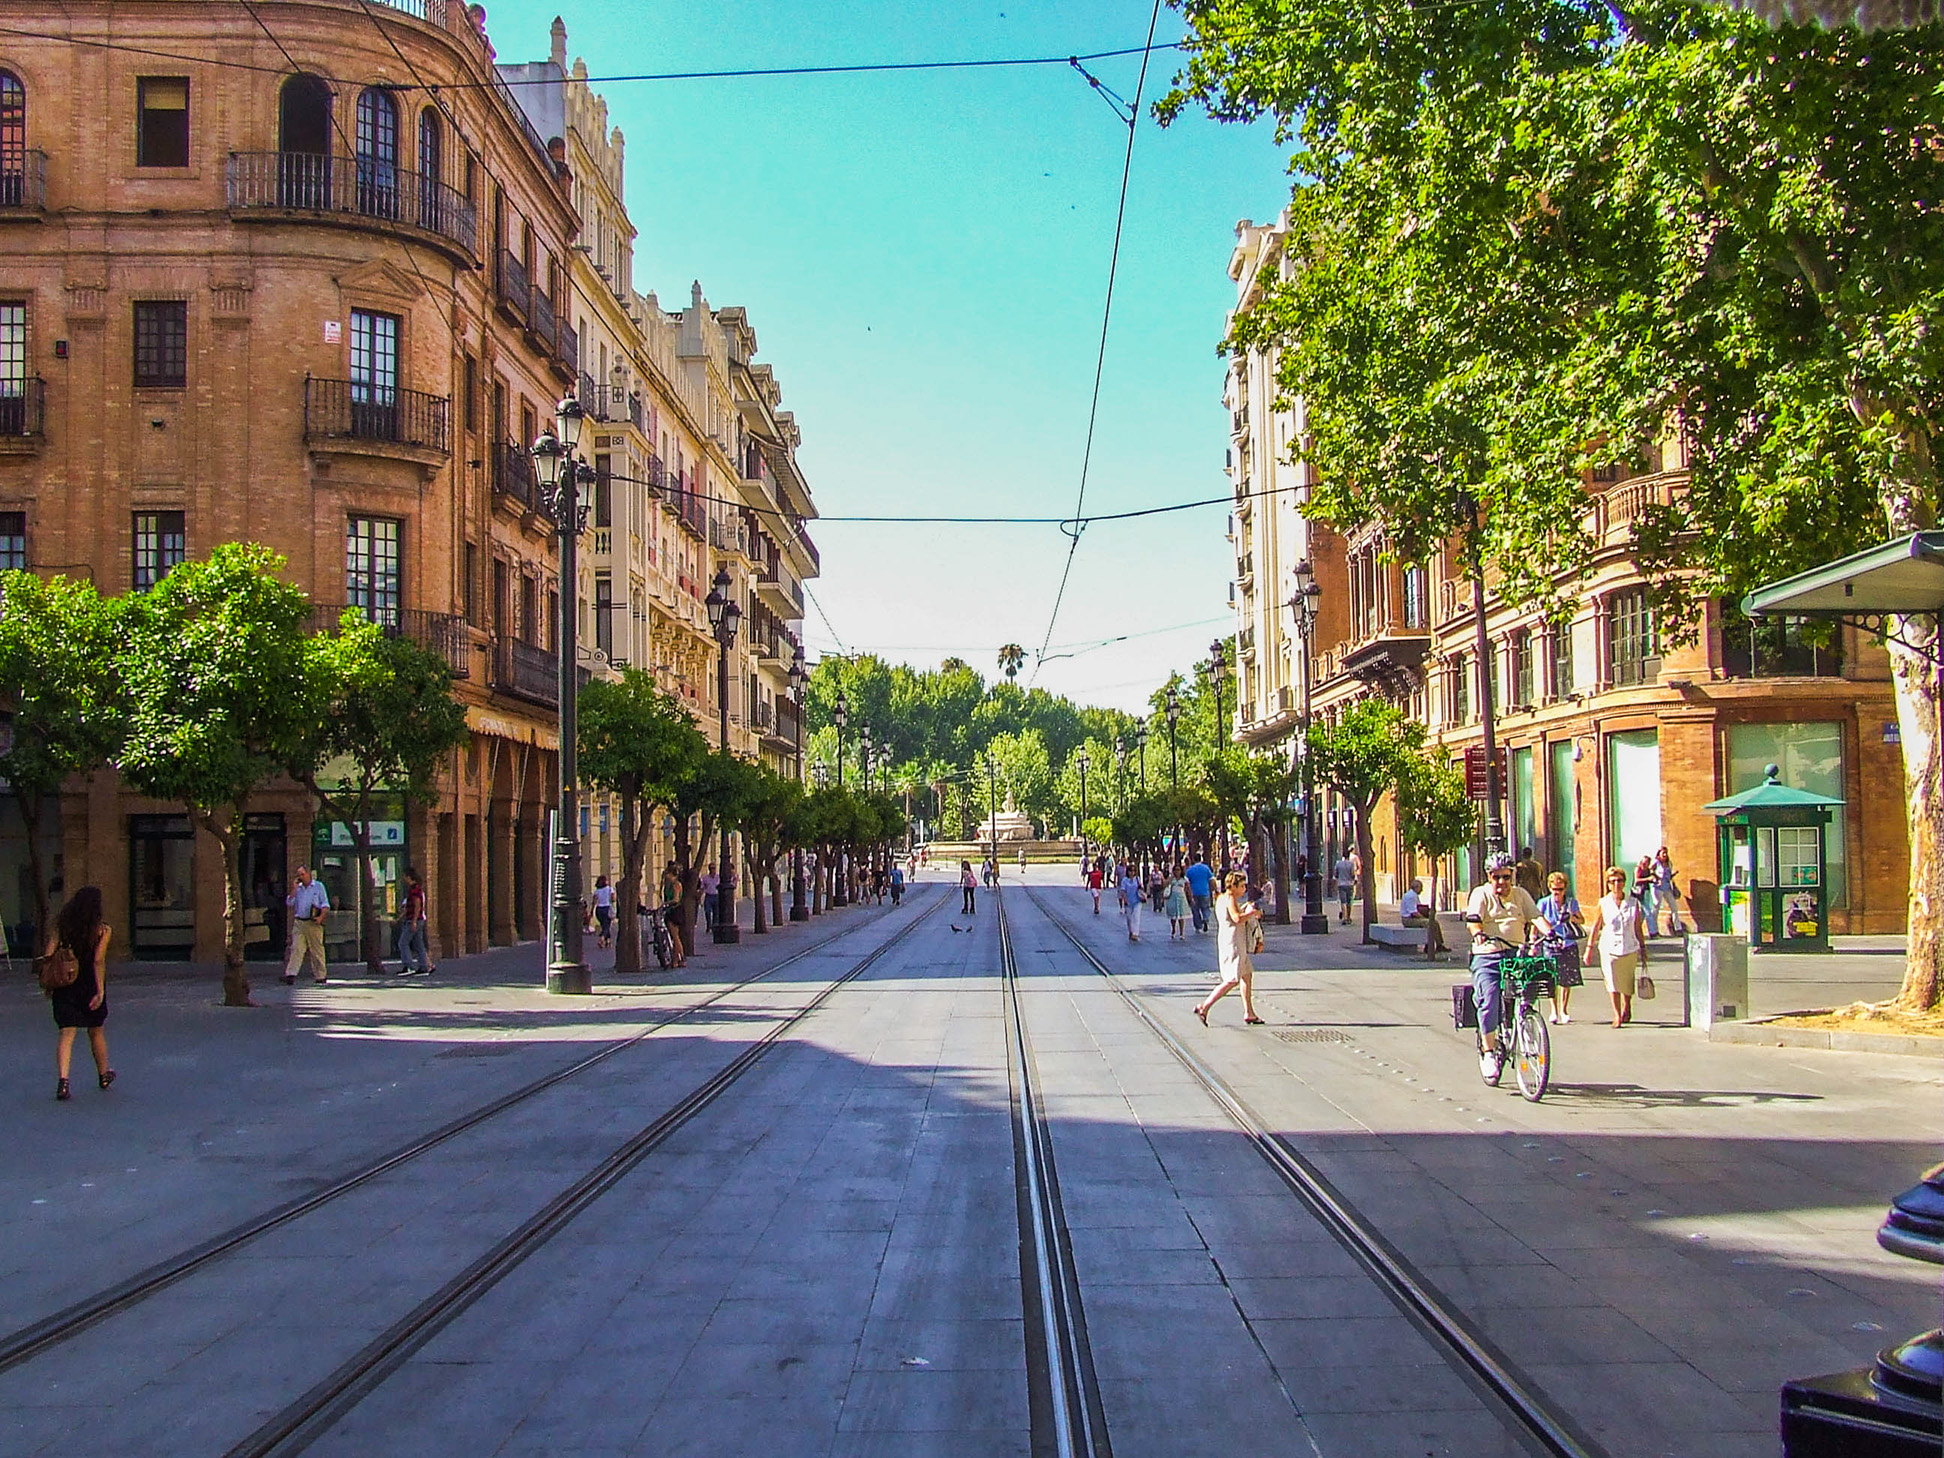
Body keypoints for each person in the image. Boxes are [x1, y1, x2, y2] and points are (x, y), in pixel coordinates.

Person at [1465, 851, 1545, 1080]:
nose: (1501, 882)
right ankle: (1488, 1052)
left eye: (1506, 877)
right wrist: (1478, 933)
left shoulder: (1521, 895)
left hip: (1516, 953)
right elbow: (1473, 920)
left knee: (1530, 989)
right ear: (1489, 877)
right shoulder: (1481, 894)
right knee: (1489, 999)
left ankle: (1525, 1023)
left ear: (1513, 875)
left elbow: (1536, 916)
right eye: (1496, 877)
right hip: (1488, 955)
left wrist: (1552, 933)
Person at [45, 885, 114, 1101]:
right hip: (89, 984)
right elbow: (98, 960)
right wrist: (100, 990)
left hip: (66, 984)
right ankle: (103, 1074)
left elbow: (48, 954)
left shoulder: (61, 925)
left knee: (67, 1033)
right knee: (96, 1031)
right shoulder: (103, 930)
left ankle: (63, 1081)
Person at [1585, 866, 1650, 1027]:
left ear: (1624, 883)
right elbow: (1596, 926)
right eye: (1612, 881)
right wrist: (1589, 948)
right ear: (1608, 884)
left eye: (1619, 881)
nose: (1616, 884)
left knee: (1627, 981)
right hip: (1609, 947)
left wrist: (1643, 948)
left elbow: (1637, 928)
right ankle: (1617, 1014)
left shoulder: (1633, 903)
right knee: (1612, 981)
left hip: (1629, 947)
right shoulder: (1603, 903)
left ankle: (1627, 1006)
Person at [1196, 871, 1263, 1026]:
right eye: (1242, 886)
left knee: (1246, 975)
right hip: (1234, 943)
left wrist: (1245, 908)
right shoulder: (1231, 898)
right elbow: (1236, 918)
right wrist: (1252, 913)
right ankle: (1205, 1006)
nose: (1244, 889)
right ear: (1232, 886)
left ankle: (1249, 1012)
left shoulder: (1222, 898)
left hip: (1230, 939)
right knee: (1232, 979)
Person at [1536, 871, 1583, 1024]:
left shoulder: (1571, 903)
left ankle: (1564, 1009)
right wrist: (1532, 940)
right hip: (1550, 944)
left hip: (1568, 943)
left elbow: (1581, 919)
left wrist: (1571, 917)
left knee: (1566, 979)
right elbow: (1536, 921)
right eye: (1555, 889)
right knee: (1551, 977)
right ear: (1550, 888)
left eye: (1561, 889)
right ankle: (1554, 1010)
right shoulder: (1543, 903)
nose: (1557, 893)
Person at [284, 865, 330, 986]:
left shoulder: (318, 887)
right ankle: (291, 974)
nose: (301, 877)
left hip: (313, 922)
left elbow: (325, 904)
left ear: (308, 874)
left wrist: (321, 917)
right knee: (296, 948)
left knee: (316, 950)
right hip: (300, 922)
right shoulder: (298, 889)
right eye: (299, 875)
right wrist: (294, 889)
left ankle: (320, 975)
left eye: (302, 874)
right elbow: (289, 902)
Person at [395, 866, 432, 976]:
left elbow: (417, 905)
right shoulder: (416, 889)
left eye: (405, 876)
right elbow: (409, 908)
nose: (403, 879)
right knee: (419, 944)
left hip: (413, 920)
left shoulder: (414, 890)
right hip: (418, 920)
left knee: (403, 943)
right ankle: (424, 967)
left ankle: (409, 966)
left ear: (409, 877)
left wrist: (414, 921)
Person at [1651, 847, 1688, 936]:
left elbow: (1669, 876)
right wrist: (1656, 877)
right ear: (1659, 854)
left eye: (1666, 853)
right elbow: (1650, 870)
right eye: (1663, 853)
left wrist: (1673, 876)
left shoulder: (1669, 863)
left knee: (1674, 907)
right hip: (1657, 887)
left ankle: (1678, 929)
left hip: (1667, 887)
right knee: (1656, 907)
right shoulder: (1656, 863)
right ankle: (1654, 930)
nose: (1664, 855)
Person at [659, 863, 687, 967]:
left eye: (668, 874)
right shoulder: (670, 884)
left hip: (675, 911)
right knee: (674, 936)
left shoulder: (676, 885)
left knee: (675, 936)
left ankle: (682, 957)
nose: (667, 876)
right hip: (673, 911)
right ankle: (675, 960)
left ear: (672, 874)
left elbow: (676, 899)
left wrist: (666, 904)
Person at [1185, 855, 1214, 934]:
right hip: (1205, 891)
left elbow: (1187, 883)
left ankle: (1198, 926)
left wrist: (1187, 893)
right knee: (1205, 908)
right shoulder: (1206, 868)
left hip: (1194, 892)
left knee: (1195, 910)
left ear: (1193, 859)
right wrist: (1212, 889)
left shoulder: (1190, 870)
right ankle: (1205, 918)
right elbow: (1211, 880)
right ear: (1201, 859)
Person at [1117, 863, 1144, 941]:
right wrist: (1125, 900)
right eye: (1130, 871)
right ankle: (1131, 931)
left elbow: (1141, 888)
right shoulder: (1125, 880)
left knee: (1136, 916)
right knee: (1129, 918)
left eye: (1134, 871)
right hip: (1128, 902)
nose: (1132, 873)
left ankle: (1135, 933)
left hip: (1137, 901)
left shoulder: (1137, 879)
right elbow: (1123, 891)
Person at [1632, 856, 1657, 935]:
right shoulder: (1638, 869)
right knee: (1648, 911)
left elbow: (1651, 878)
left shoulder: (1648, 870)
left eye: (1647, 862)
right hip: (1639, 891)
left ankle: (1635, 929)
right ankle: (1653, 932)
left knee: (1643, 913)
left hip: (1646, 891)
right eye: (1644, 862)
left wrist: (1654, 879)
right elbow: (1637, 880)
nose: (1645, 864)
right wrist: (1648, 879)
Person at [1164, 865, 1190, 941]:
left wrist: (1190, 898)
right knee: (1173, 916)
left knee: (1181, 916)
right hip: (1172, 897)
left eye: (1178, 870)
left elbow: (1188, 888)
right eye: (1175, 870)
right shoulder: (1172, 879)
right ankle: (1173, 929)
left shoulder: (1184, 879)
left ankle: (1182, 932)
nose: (1177, 872)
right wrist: (1170, 879)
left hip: (1181, 898)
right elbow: (1165, 884)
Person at [592, 874, 615, 949]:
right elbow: (613, 899)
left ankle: (608, 941)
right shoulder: (610, 889)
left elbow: (594, 901)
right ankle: (601, 939)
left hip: (599, 910)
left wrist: (592, 911)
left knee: (604, 925)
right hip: (607, 908)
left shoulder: (597, 891)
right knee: (607, 926)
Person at [1332, 852, 1356, 923]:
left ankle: (1344, 918)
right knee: (1349, 902)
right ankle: (1348, 917)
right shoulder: (1351, 864)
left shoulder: (1338, 863)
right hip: (1349, 884)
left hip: (1341, 884)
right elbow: (1352, 874)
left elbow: (1335, 874)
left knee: (1343, 902)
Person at [700, 869, 720, 933]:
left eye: (714, 868)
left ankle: (714, 926)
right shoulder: (705, 878)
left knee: (716, 912)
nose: (713, 870)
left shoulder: (718, 877)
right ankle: (709, 925)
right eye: (711, 868)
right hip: (708, 896)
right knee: (707, 911)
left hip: (716, 896)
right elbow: (702, 887)